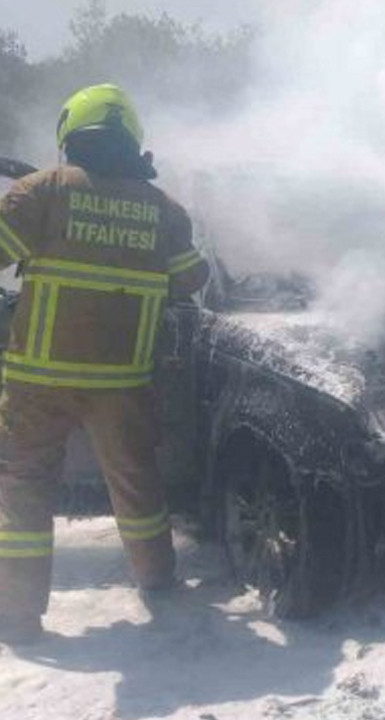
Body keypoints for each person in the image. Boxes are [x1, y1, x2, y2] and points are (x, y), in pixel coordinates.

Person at [0, 84, 209, 645]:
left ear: (71, 134)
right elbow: (193, 279)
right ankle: (158, 579)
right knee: (137, 485)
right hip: (122, 382)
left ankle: (18, 618)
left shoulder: (39, 191)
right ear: (133, 139)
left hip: (38, 380)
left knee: (24, 490)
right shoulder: (163, 209)